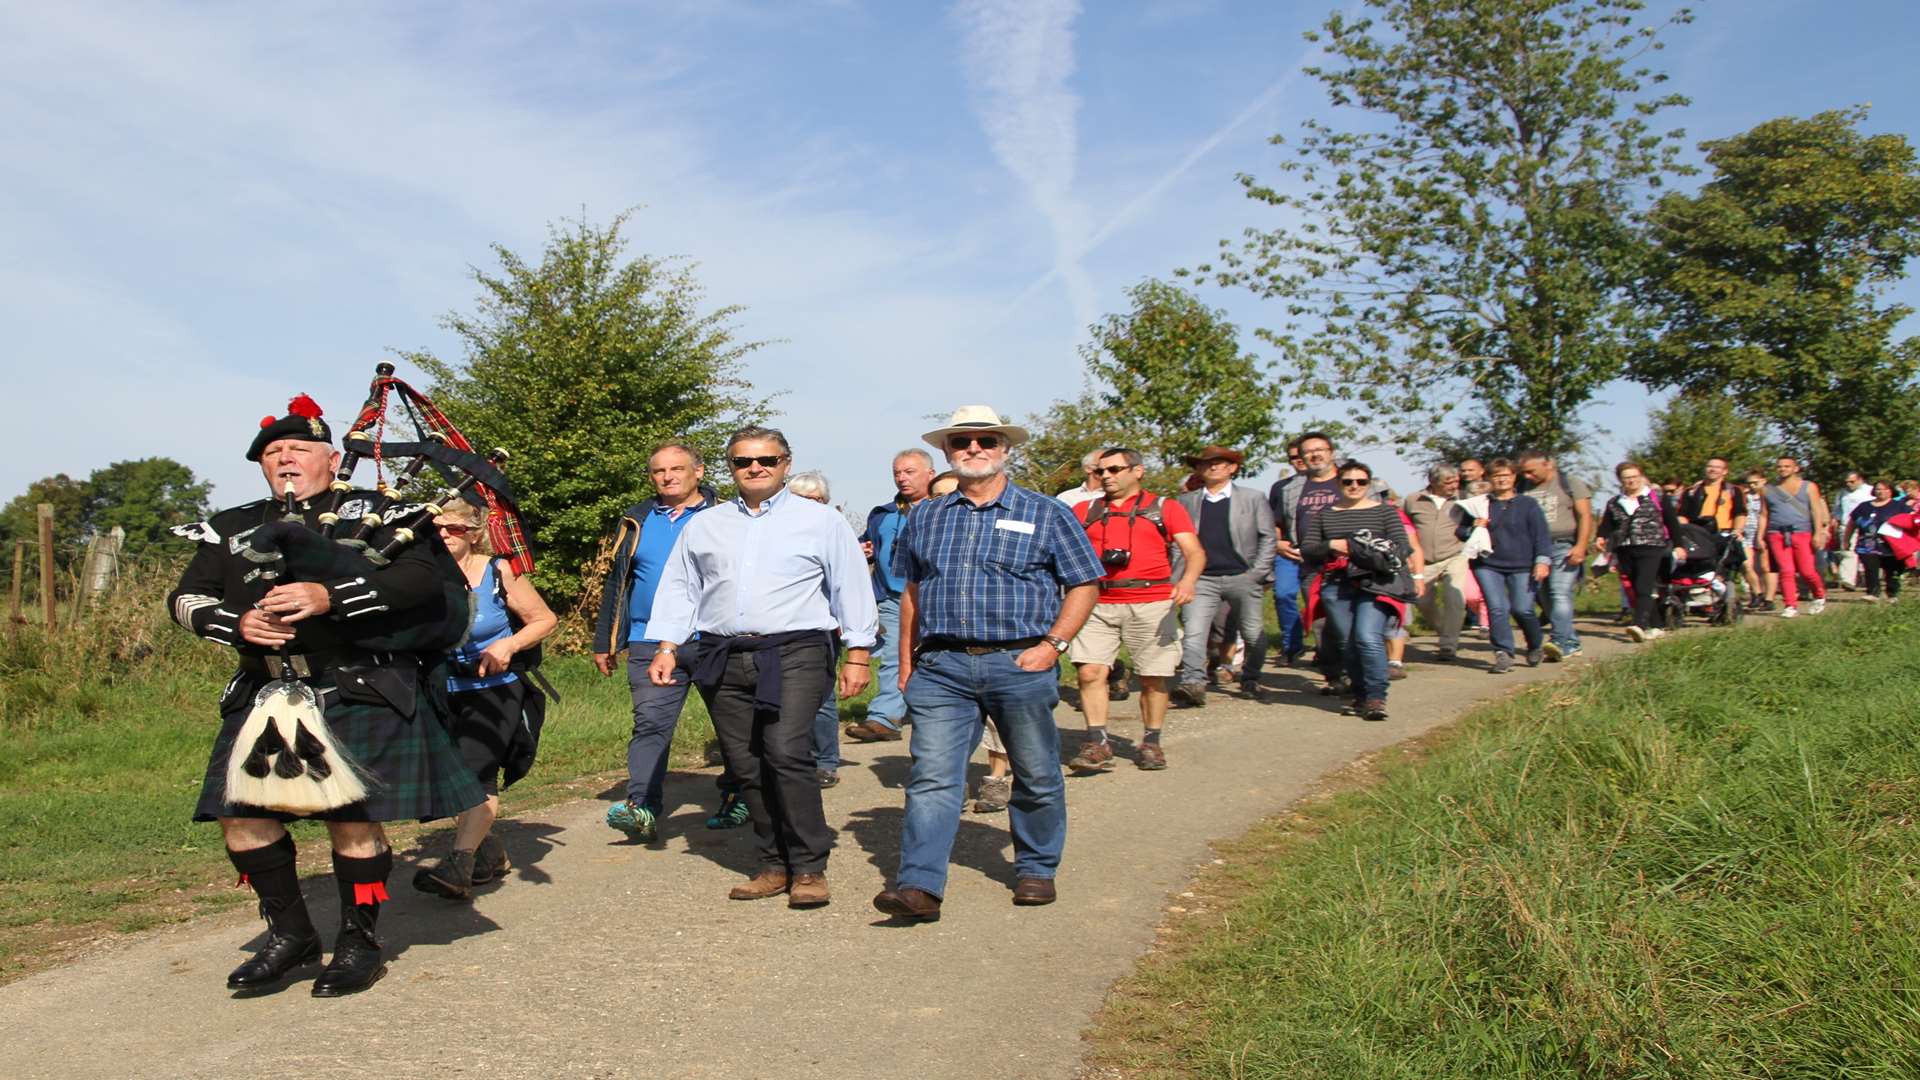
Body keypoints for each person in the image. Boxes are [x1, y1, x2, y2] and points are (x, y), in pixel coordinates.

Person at [167, 395, 485, 996]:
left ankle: (360, 941)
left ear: (331, 459)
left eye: (299, 448)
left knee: (353, 823)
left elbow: (419, 581)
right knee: (241, 821)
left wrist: (329, 597)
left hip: (355, 685)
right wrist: (234, 625)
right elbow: (186, 598)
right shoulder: (233, 525)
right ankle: (291, 934)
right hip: (265, 690)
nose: (284, 457)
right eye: (272, 451)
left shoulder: (378, 512)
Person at [873, 406, 1102, 920]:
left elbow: (1085, 582)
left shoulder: (1046, 512)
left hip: (1018, 661)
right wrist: (907, 660)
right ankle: (919, 886)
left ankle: (1036, 869)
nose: (973, 449)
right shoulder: (927, 515)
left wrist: (1054, 645)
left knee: (1036, 770)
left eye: (986, 441)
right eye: (962, 442)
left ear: (1004, 450)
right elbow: (912, 590)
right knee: (932, 775)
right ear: (947, 453)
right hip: (942, 668)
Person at [646, 427, 878, 909]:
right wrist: (668, 646)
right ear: (729, 468)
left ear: (786, 463)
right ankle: (773, 862)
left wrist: (858, 651)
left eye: (767, 459)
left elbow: (851, 586)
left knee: (786, 751)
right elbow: (681, 588)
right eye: (743, 461)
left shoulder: (820, 522)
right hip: (722, 653)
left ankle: (809, 866)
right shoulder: (706, 524)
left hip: (797, 649)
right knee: (746, 762)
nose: (756, 468)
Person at [592, 441, 747, 840]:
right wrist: (604, 639)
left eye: (677, 468)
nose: (668, 476)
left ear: (699, 471)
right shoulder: (636, 521)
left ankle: (737, 796)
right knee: (650, 724)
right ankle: (641, 806)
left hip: (715, 638)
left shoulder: (728, 515)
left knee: (733, 726)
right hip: (650, 639)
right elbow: (617, 582)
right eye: (659, 471)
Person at [413, 500, 557, 898]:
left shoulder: (498, 571)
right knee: (453, 777)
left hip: (496, 691)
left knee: (476, 774)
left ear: (474, 535)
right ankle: (489, 852)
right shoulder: (420, 575)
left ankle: (458, 864)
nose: (444, 535)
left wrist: (508, 646)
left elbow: (545, 619)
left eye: (454, 529)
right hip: (443, 691)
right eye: (436, 529)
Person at [1064, 447, 1203, 773]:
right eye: (1101, 471)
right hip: (1098, 601)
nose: (1106, 477)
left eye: (1114, 469)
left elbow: (1193, 551)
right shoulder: (1085, 510)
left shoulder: (1165, 508)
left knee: (1154, 677)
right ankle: (1097, 741)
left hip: (1152, 601)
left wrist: (1187, 581)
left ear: (1137, 471)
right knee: (1089, 672)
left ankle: (1151, 741)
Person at [1300, 461, 1416, 721]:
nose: (1354, 486)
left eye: (1361, 482)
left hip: (1376, 583)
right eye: (1348, 481)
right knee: (1348, 643)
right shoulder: (1325, 514)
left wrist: (1364, 550)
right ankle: (1361, 694)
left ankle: (1376, 697)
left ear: (1369, 483)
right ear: (1338, 484)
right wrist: (1332, 543)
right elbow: (1308, 549)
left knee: (1367, 636)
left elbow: (1402, 547)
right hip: (1336, 583)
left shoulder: (1385, 512)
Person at [844, 450, 937, 744]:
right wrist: (862, 550)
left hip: (936, 597)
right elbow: (865, 542)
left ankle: (936, 711)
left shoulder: (946, 510)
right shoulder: (884, 513)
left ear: (930, 474)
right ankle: (884, 718)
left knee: (937, 658)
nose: (902, 478)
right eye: (897, 472)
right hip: (893, 596)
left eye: (909, 472)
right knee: (896, 655)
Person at [1172, 445, 1275, 704]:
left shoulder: (1253, 498)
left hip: (1242, 574)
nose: (1213, 467)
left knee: (1252, 633)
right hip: (1201, 578)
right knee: (1195, 632)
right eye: (1206, 463)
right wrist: (1180, 578)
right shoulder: (1186, 501)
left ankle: (1251, 678)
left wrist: (1257, 573)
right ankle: (1193, 683)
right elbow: (1178, 543)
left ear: (1232, 468)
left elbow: (1268, 537)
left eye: (1219, 463)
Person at [1462, 458, 1551, 674]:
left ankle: (1535, 643)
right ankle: (1503, 653)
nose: (1502, 479)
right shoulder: (1480, 504)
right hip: (1487, 564)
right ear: (1490, 478)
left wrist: (1542, 561)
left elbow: (1541, 535)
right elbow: (1460, 531)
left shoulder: (1528, 504)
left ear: (1514, 478)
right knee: (1497, 608)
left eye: (1506, 475)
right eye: (1497, 475)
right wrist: (1472, 527)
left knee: (1522, 608)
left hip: (1522, 564)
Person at [788, 470, 849, 787]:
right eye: (799, 499)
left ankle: (825, 761)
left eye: (814, 500)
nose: (807, 506)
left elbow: (847, 585)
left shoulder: (834, 531)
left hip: (823, 627)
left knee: (822, 697)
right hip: (784, 629)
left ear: (824, 502)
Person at [1516, 451, 1595, 661]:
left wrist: (1581, 546)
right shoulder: (1523, 487)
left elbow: (1585, 515)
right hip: (1532, 549)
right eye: (1524, 472)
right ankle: (1571, 641)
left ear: (1547, 465)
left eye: (1531, 472)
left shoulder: (1569, 483)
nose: (1527, 476)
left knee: (1559, 592)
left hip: (1563, 546)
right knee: (1544, 597)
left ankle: (1559, 640)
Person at [1595, 463, 1688, 642]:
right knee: (1636, 587)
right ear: (1621, 481)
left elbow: (1671, 522)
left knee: (1645, 584)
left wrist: (1679, 545)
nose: (1631, 481)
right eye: (1627, 478)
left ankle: (1639, 625)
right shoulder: (1615, 502)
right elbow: (1607, 524)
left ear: (1641, 477)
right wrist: (1601, 537)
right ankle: (1657, 624)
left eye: (1634, 476)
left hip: (1652, 546)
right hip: (1625, 548)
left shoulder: (1657, 498)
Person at [1404, 464, 1471, 661]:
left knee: (1455, 598)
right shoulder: (1413, 500)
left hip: (1455, 555)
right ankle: (1444, 629)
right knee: (1422, 600)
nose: (1453, 485)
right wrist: (1407, 554)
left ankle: (1449, 644)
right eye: (1447, 482)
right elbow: (1403, 525)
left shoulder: (1464, 498)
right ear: (1432, 482)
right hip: (1423, 560)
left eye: (1456, 481)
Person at [1762, 456, 1830, 618]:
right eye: (1779, 466)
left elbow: (1815, 510)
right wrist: (1760, 535)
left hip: (1802, 532)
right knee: (1786, 570)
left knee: (1807, 571)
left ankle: (1819, 595)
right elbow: (1764, 514)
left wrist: (1818, 533)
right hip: (1776, 533)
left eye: (1787, 466)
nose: (1783, 469)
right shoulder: (1767, 489)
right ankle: (1790, 604)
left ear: (1795, 468)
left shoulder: (1808, 487)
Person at [1266, 439, 1309, 664]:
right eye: (1294, 456)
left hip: (1321, 553)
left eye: (1304, 454)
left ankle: (1328, 651)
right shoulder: (1280, 488)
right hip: (1289, 550)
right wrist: (1278, 543)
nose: (1300, 459)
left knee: (1320, 601)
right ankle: (1292, 646)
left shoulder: (1333, 484)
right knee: (1283, 594)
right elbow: (1273, 521)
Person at [1844, 479, 1907, 603]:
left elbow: (1912, 521)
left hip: (1892, 545)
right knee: (1870, 568)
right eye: (1878, 489)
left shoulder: (1900, 506)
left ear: (1891, 491)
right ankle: (1873, 593)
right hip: (1868, 545)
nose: (1881, 492)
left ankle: (1892, 594)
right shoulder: (1864, 506)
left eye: (1885, 489)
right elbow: (1852, 523)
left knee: (1892, 570)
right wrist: (1846, 539)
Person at [1833, 471, 1874, 591]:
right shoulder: (1842, 493)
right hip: (1847, 525)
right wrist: (1835, 520)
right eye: (1847, 482)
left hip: (1867, 525)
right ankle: (1847, 580)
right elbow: (1837, 509)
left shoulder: (1870, 491)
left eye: (1852, 481)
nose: (1849, 484)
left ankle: (1866, 577)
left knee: (1868, 553)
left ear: (1860, 480)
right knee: (1847, 551)